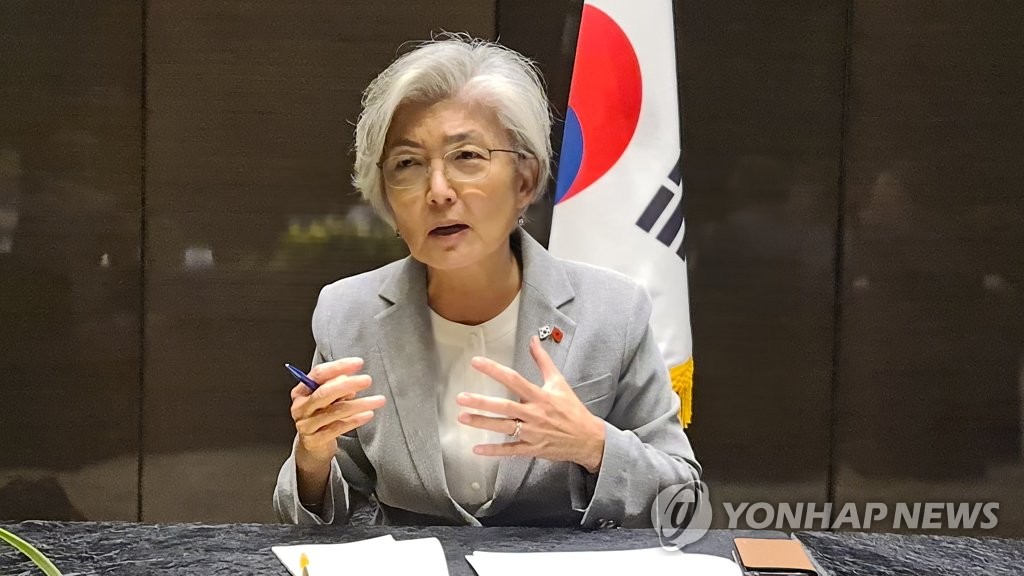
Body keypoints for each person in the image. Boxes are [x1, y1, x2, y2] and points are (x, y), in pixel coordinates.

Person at [273, 35, 701, 528]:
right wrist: (312, 456)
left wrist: (594, 445)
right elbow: (315, 515)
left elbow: (684, 501)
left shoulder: (613, 311)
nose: (437, 192)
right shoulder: (347, 312)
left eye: (467, 157)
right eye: (408, 165)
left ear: (524, 181)